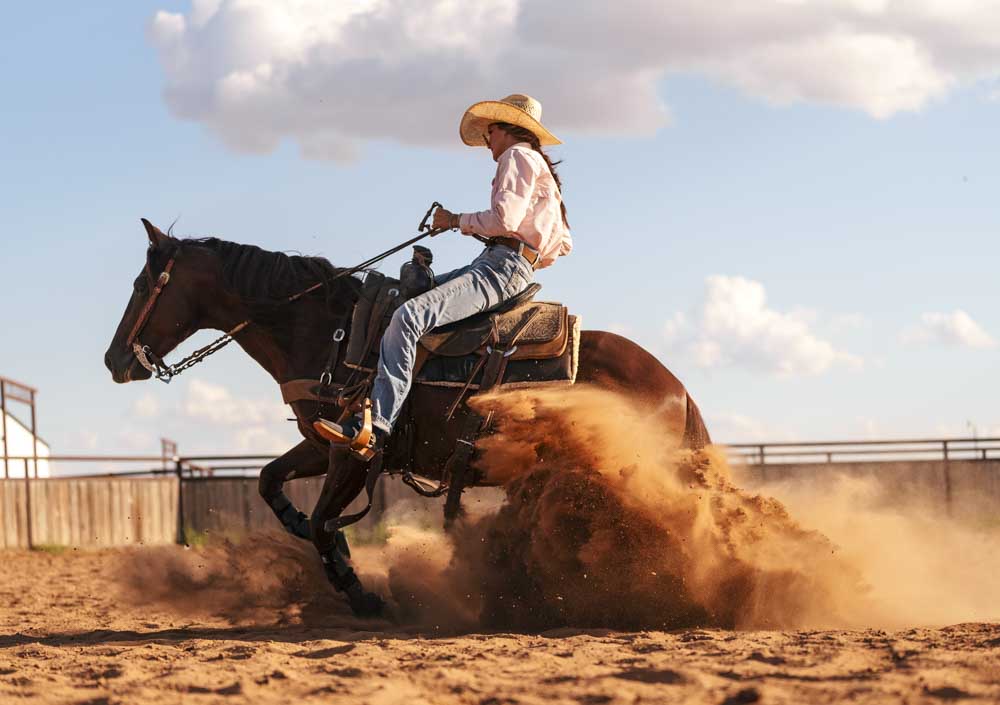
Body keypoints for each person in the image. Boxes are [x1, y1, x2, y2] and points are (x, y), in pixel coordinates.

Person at [315, 94, 572, 454]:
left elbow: (506, 220)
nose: (487, 140)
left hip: (500, 267)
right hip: (509, 265)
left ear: (505, 129)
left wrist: (455, 221)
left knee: (407, 316)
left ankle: (376, 425)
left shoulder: (516, 157)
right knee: (418, 296)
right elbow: (561, 245)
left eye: (490, 131)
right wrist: (513, 247)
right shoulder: (537, 166)